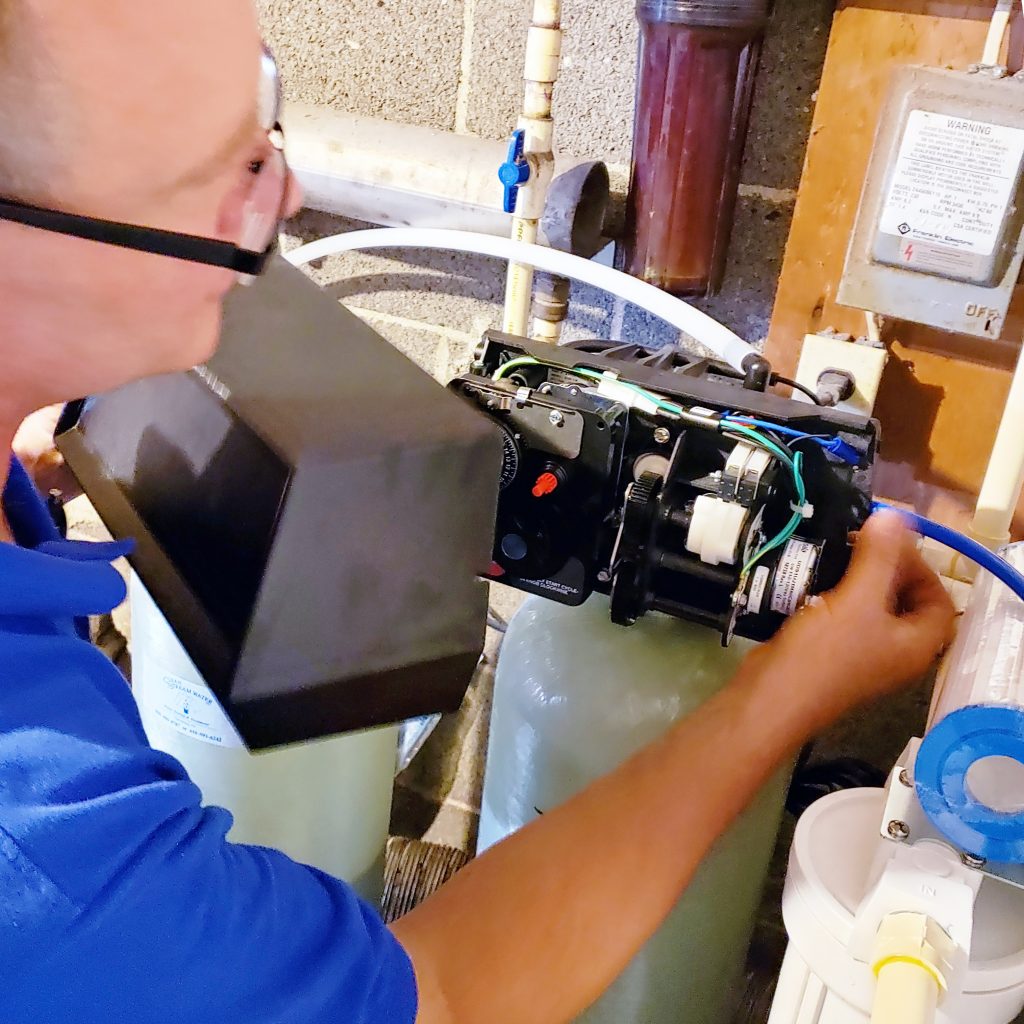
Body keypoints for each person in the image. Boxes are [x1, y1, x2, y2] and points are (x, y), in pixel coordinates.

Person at [0, 3, 955, 1021]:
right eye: (221, 177)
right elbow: (448, 993)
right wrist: (790, 689)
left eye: (267, 138)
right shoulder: (57, 862)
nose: (289, 196)